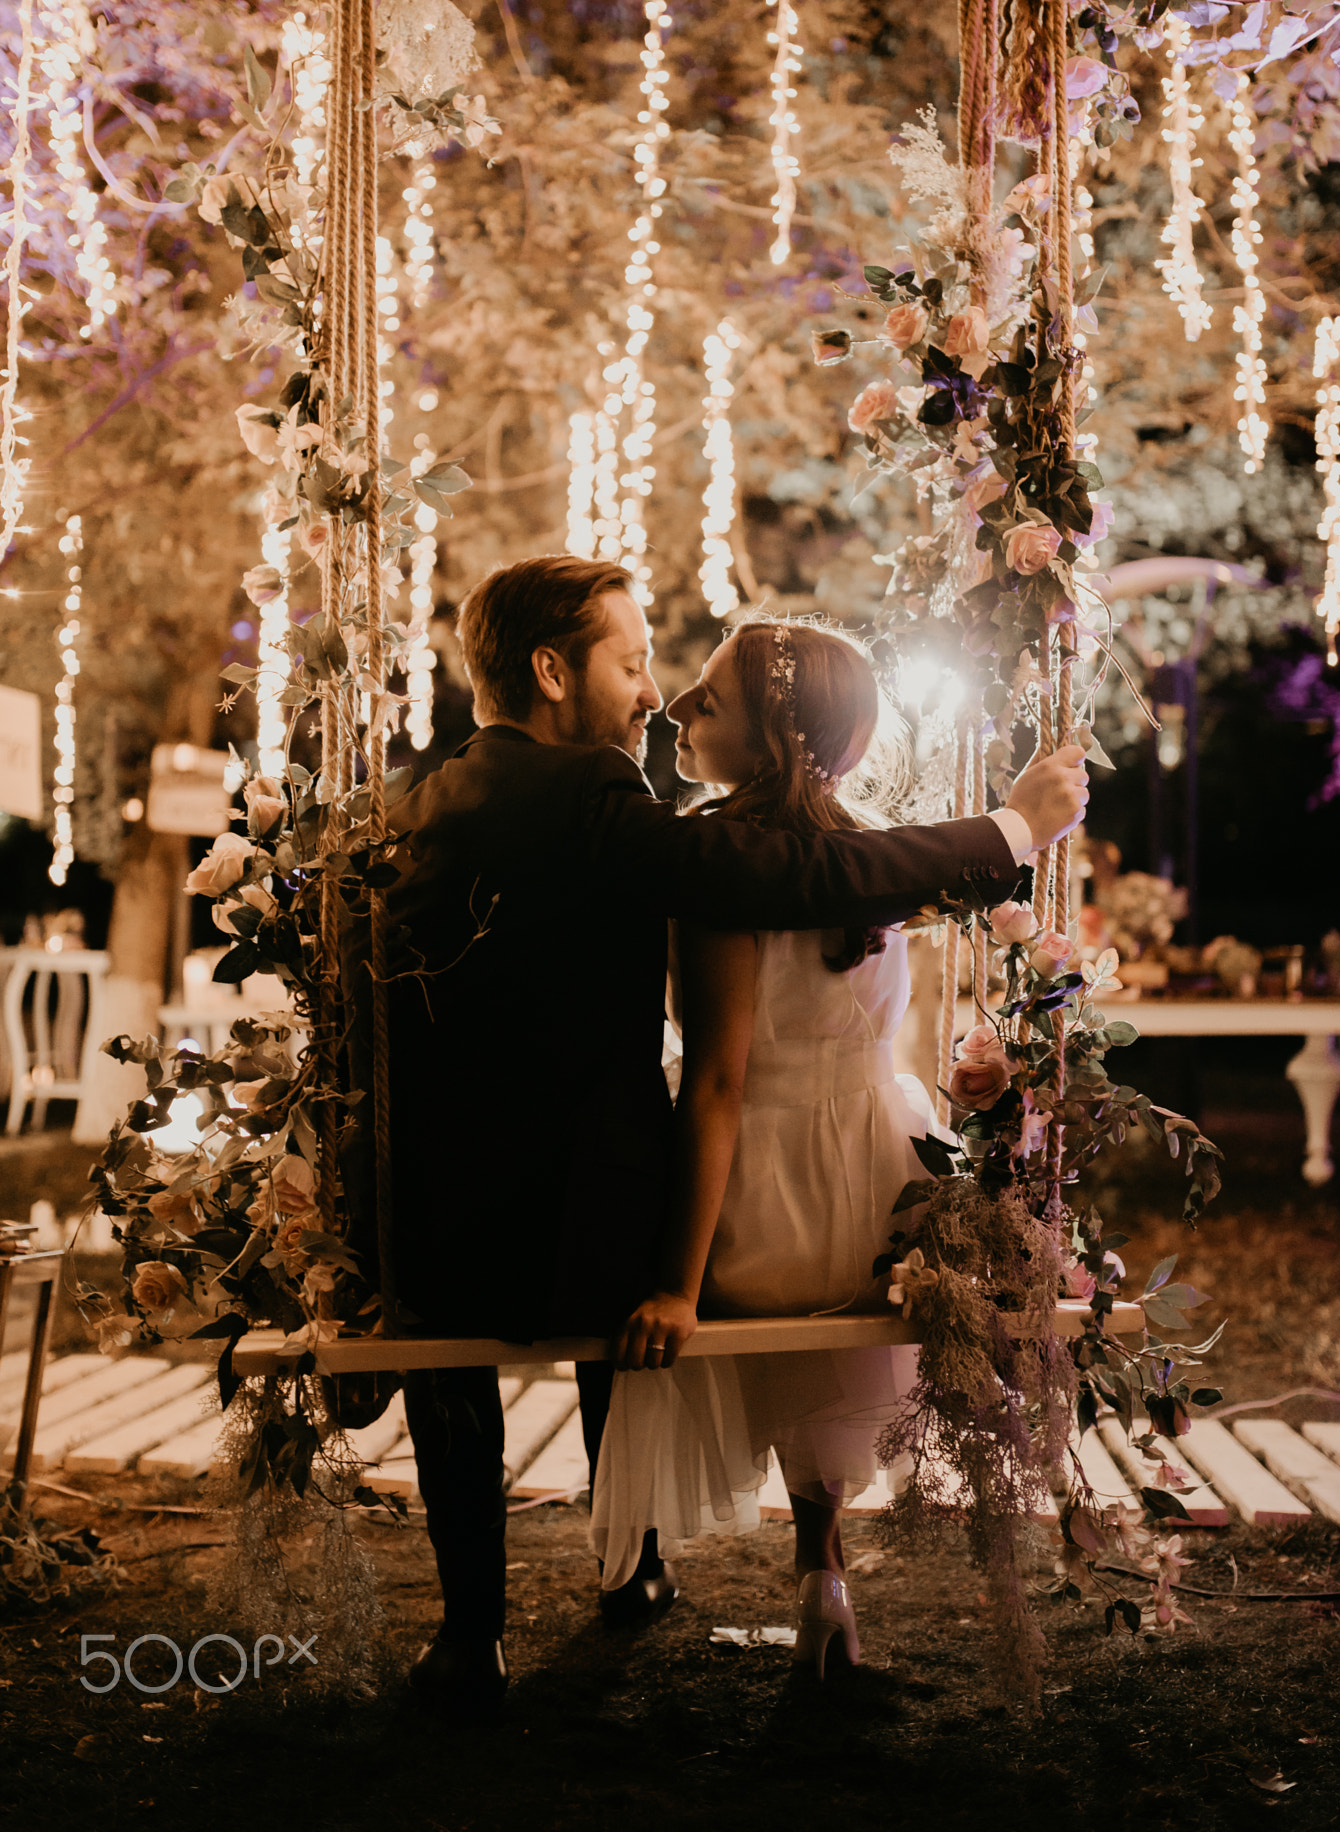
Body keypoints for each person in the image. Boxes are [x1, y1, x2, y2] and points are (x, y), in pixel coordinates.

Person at [345, 556, 1087, 1719]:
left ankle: (478, 1626)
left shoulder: (419, 798)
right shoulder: (592, 798)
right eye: (634, 662)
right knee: (616, 1281)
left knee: (454, 1362)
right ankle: (631, 1560)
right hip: (598, 1201)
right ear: (550, 670)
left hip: (443, 1204)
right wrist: (1005, 828)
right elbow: (798, 867)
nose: (653, 694)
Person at [590, 617, 994, 1678]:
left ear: (773, 736)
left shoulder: (725, 872)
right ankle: (823, 1569)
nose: (676, 707)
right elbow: (884, 1032)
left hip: (763, 1183)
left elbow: (719, 1082)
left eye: (707, 700)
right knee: (838, 1355)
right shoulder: (870, 857)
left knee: (765, 1317)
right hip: (876, 1171)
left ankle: (815, 1573)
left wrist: (675, 1285)